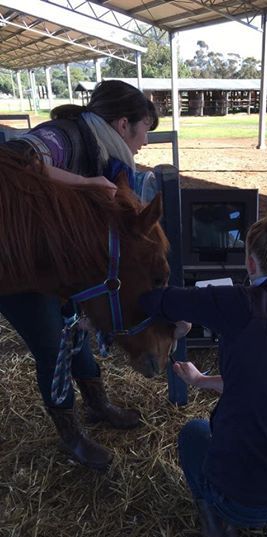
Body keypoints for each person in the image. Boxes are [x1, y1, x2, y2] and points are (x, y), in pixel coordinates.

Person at [139, 205, 267, 537]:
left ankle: (216, 522)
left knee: (193, 433)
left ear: (249, 263)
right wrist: (200, 381)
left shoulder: (237, 303)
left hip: (240, 499)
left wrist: (178, 320)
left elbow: (158, 300)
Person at [0, 80, 159, 470]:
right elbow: (16, 158)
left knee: (75, 332)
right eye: (144, 132)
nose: (144, 143)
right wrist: (86, 182)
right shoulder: (64, 136)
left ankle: (96, 403)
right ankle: (70, 434)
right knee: (52, 345)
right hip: (19, 262)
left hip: (56, 260)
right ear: (124, 125)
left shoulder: (104, 150)